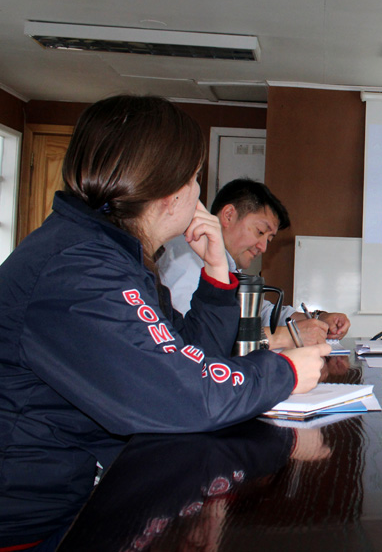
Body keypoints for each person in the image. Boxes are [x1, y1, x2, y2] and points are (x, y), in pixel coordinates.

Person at [0, 96, 329, 551]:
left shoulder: (112, 256)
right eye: (195, 177)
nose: (199, 193)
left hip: (75, 502)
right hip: (32, 528)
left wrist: (217, 272)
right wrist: (286, 371)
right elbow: (182, 392)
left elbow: (192, 352)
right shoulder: (79, 267)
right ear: (169, 191)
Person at [158, 178, 350, 347]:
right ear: (228, 215)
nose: (263, 247)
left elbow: (260, 312)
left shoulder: (227, 265)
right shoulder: (186, 256)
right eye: (260, 232)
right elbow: (192, 339)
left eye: (269, 239)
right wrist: (288, 336)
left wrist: (319, 318)